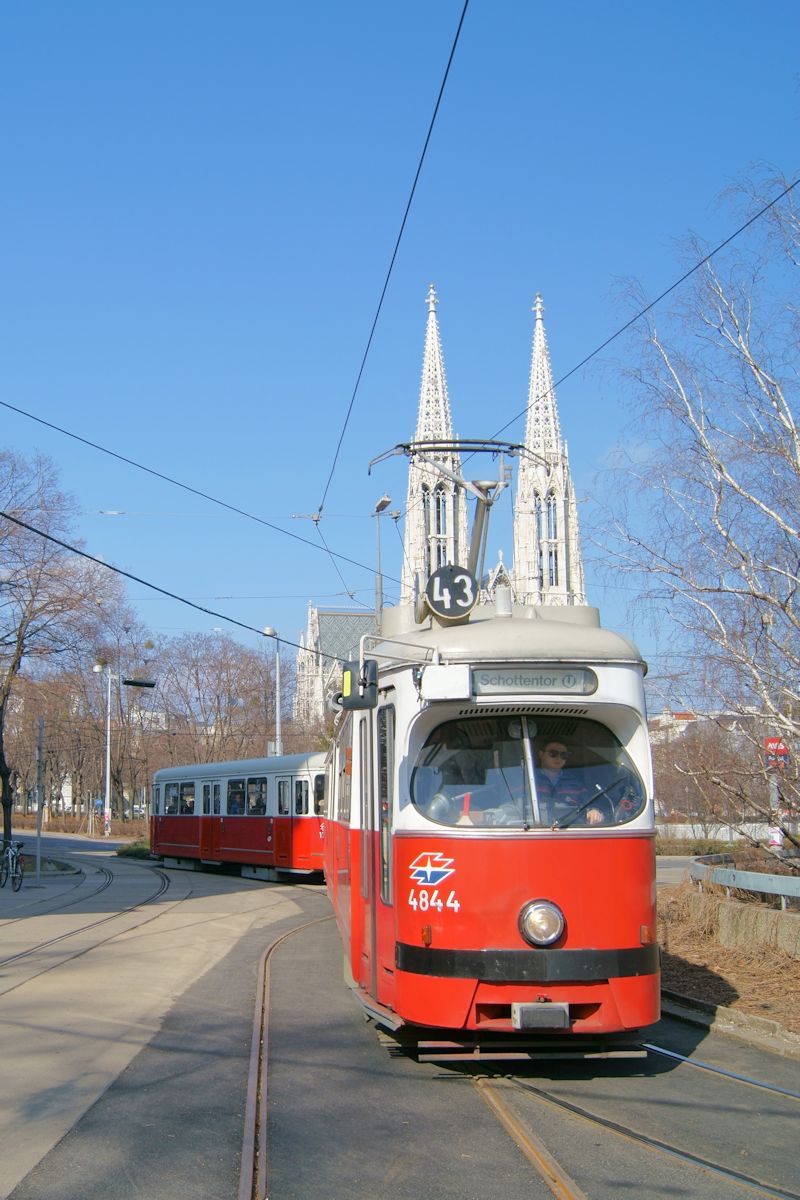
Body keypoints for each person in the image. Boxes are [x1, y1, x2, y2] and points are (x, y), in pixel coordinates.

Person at [533, 741, 608, 826]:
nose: (558, 758)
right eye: (553, 753)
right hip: (537, 831)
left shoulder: (576, 784)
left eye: (563, 755)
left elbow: (589, 804)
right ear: (541, 754)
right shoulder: (529, 781)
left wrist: (593, 811)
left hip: (569, 831)